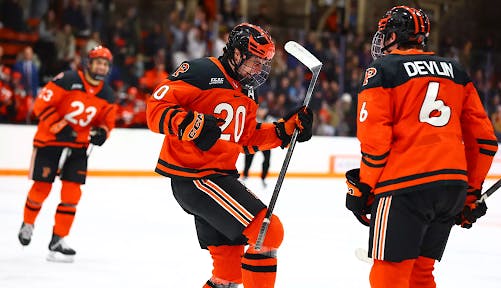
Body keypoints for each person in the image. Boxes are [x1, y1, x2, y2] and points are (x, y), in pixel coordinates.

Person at [146, 23, 313, 288]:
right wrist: (191, 124)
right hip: (197, 178)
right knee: (268, 230)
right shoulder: (201, 71)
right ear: (236, 54)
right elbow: (155, 109)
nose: (259, 68)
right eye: (255, 61)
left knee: (229, 274)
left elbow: (245, 140)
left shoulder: (247, 91)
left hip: (217, 177)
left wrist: (283, 130)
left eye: (263, 62)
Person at [344, 6, 497, 288]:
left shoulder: (382, 70)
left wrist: (364, 188)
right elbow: (485, 141)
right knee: (420, 275)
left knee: (388, 275)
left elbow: (376, 144)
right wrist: (471, 192)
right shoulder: (457, 71)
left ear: (392, 35)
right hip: (450, 188)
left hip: (404, 188)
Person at [17, 45, 116, 263]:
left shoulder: (108, 94)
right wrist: (61, 125)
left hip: (79, 146)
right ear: (88, 64)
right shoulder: (67, 79)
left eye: (105, 63)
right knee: (42, 187)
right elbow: (40, 105)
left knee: (72, 194)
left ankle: (58, 239)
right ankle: (28, 223)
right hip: (50, 140)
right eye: (98, 61)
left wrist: (102, 133)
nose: (101, 66)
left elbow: (107, 123)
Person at [242, 104, 275, 188]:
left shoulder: (270, 119)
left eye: (263, 110)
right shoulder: (253, 118)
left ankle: (263, 178)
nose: (261, 111)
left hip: (265, 143)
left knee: (267, 160)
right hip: (254, 142)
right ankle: (245, 175)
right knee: (248, 158)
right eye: (260, 110)